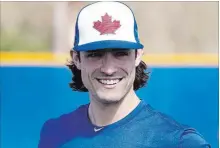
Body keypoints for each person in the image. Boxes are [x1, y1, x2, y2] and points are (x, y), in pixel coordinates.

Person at [38, 1, 211, 148]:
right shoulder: (55, 133)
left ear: (137, 56)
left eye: (120, 53)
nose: (108, 69)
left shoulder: (179, 142)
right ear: (76, 58)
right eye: (95, 54)